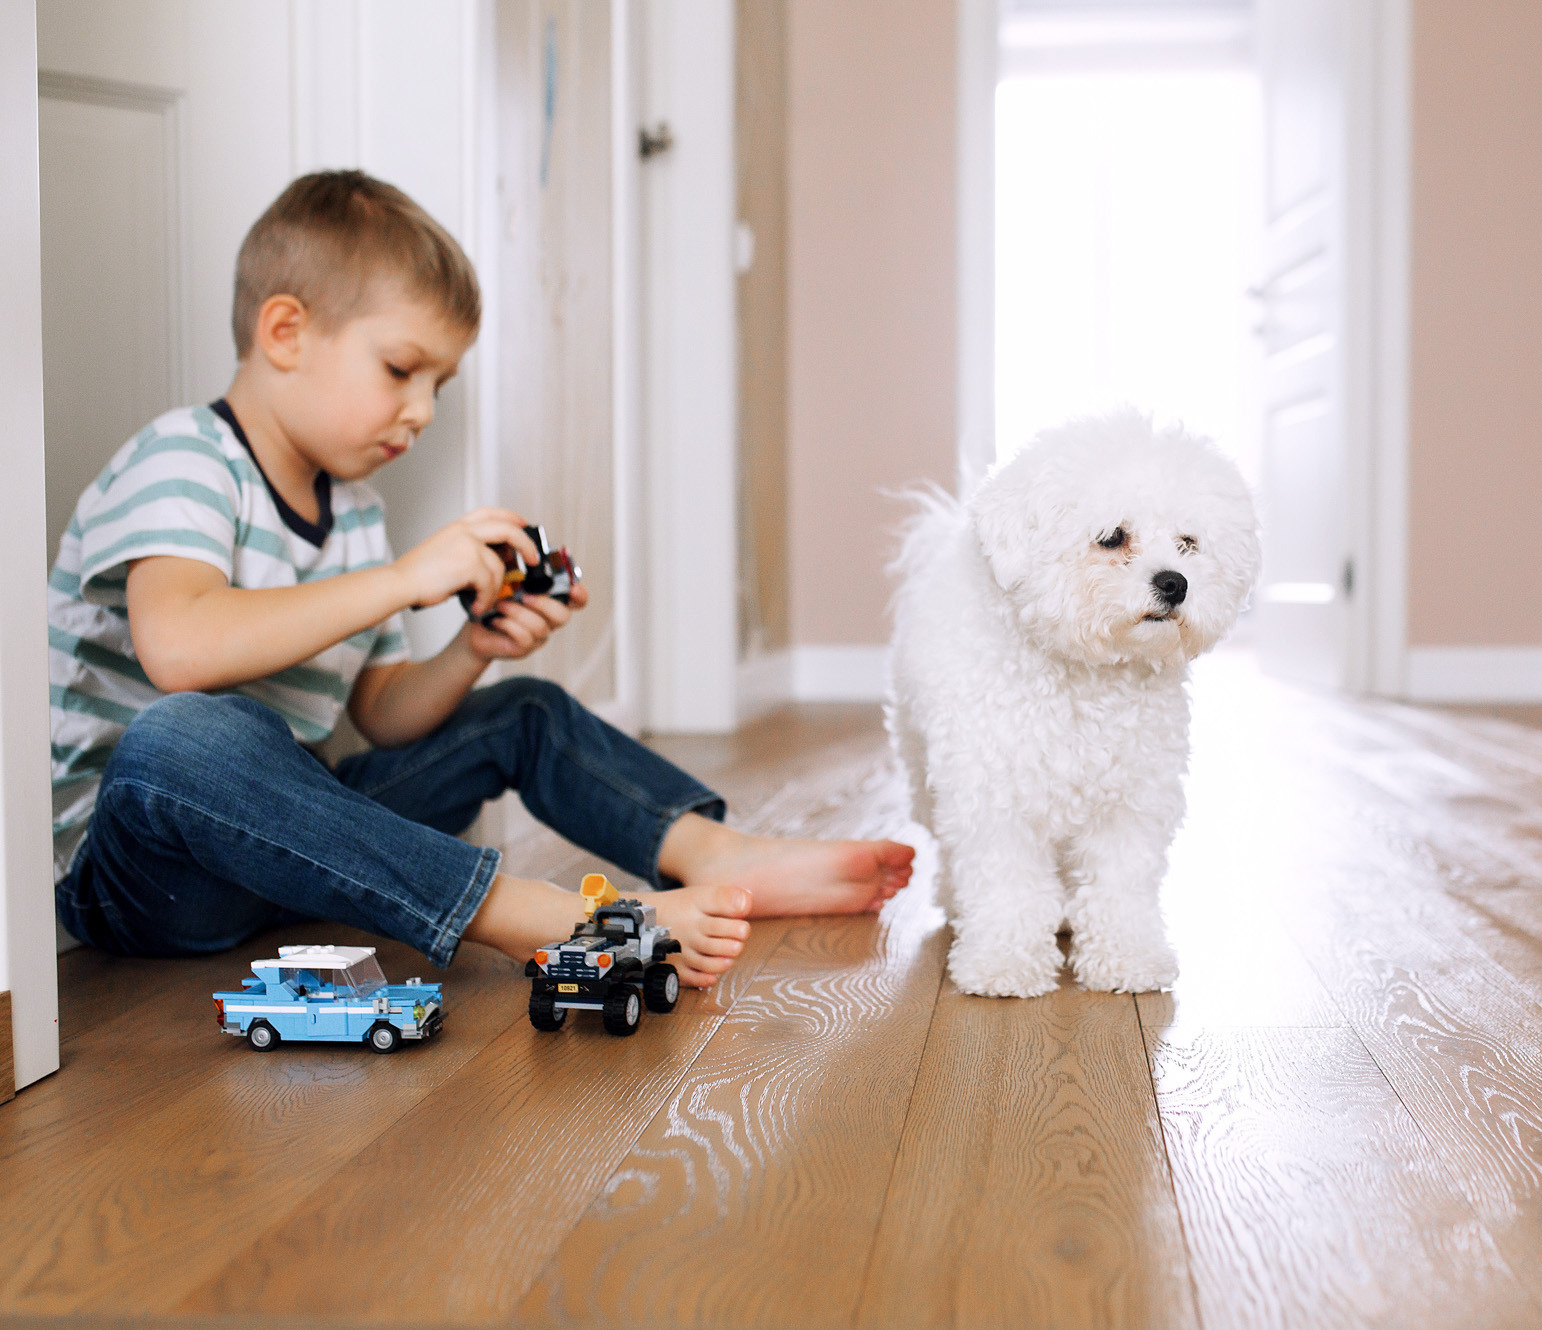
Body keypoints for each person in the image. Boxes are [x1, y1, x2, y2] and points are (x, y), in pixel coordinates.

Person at [48, 170, 913, 988]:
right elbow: (178, 647)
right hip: (145, 877)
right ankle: (517, 911)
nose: (422, 410)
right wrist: (401, 580)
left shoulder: (352, 510)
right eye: (400, 370)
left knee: (524, 713)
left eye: (439, 383)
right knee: (190, 735)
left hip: (294, 853)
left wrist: (471, 648)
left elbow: (382, 714)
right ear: (285, 332)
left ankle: (712, 848)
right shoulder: (184, 459)